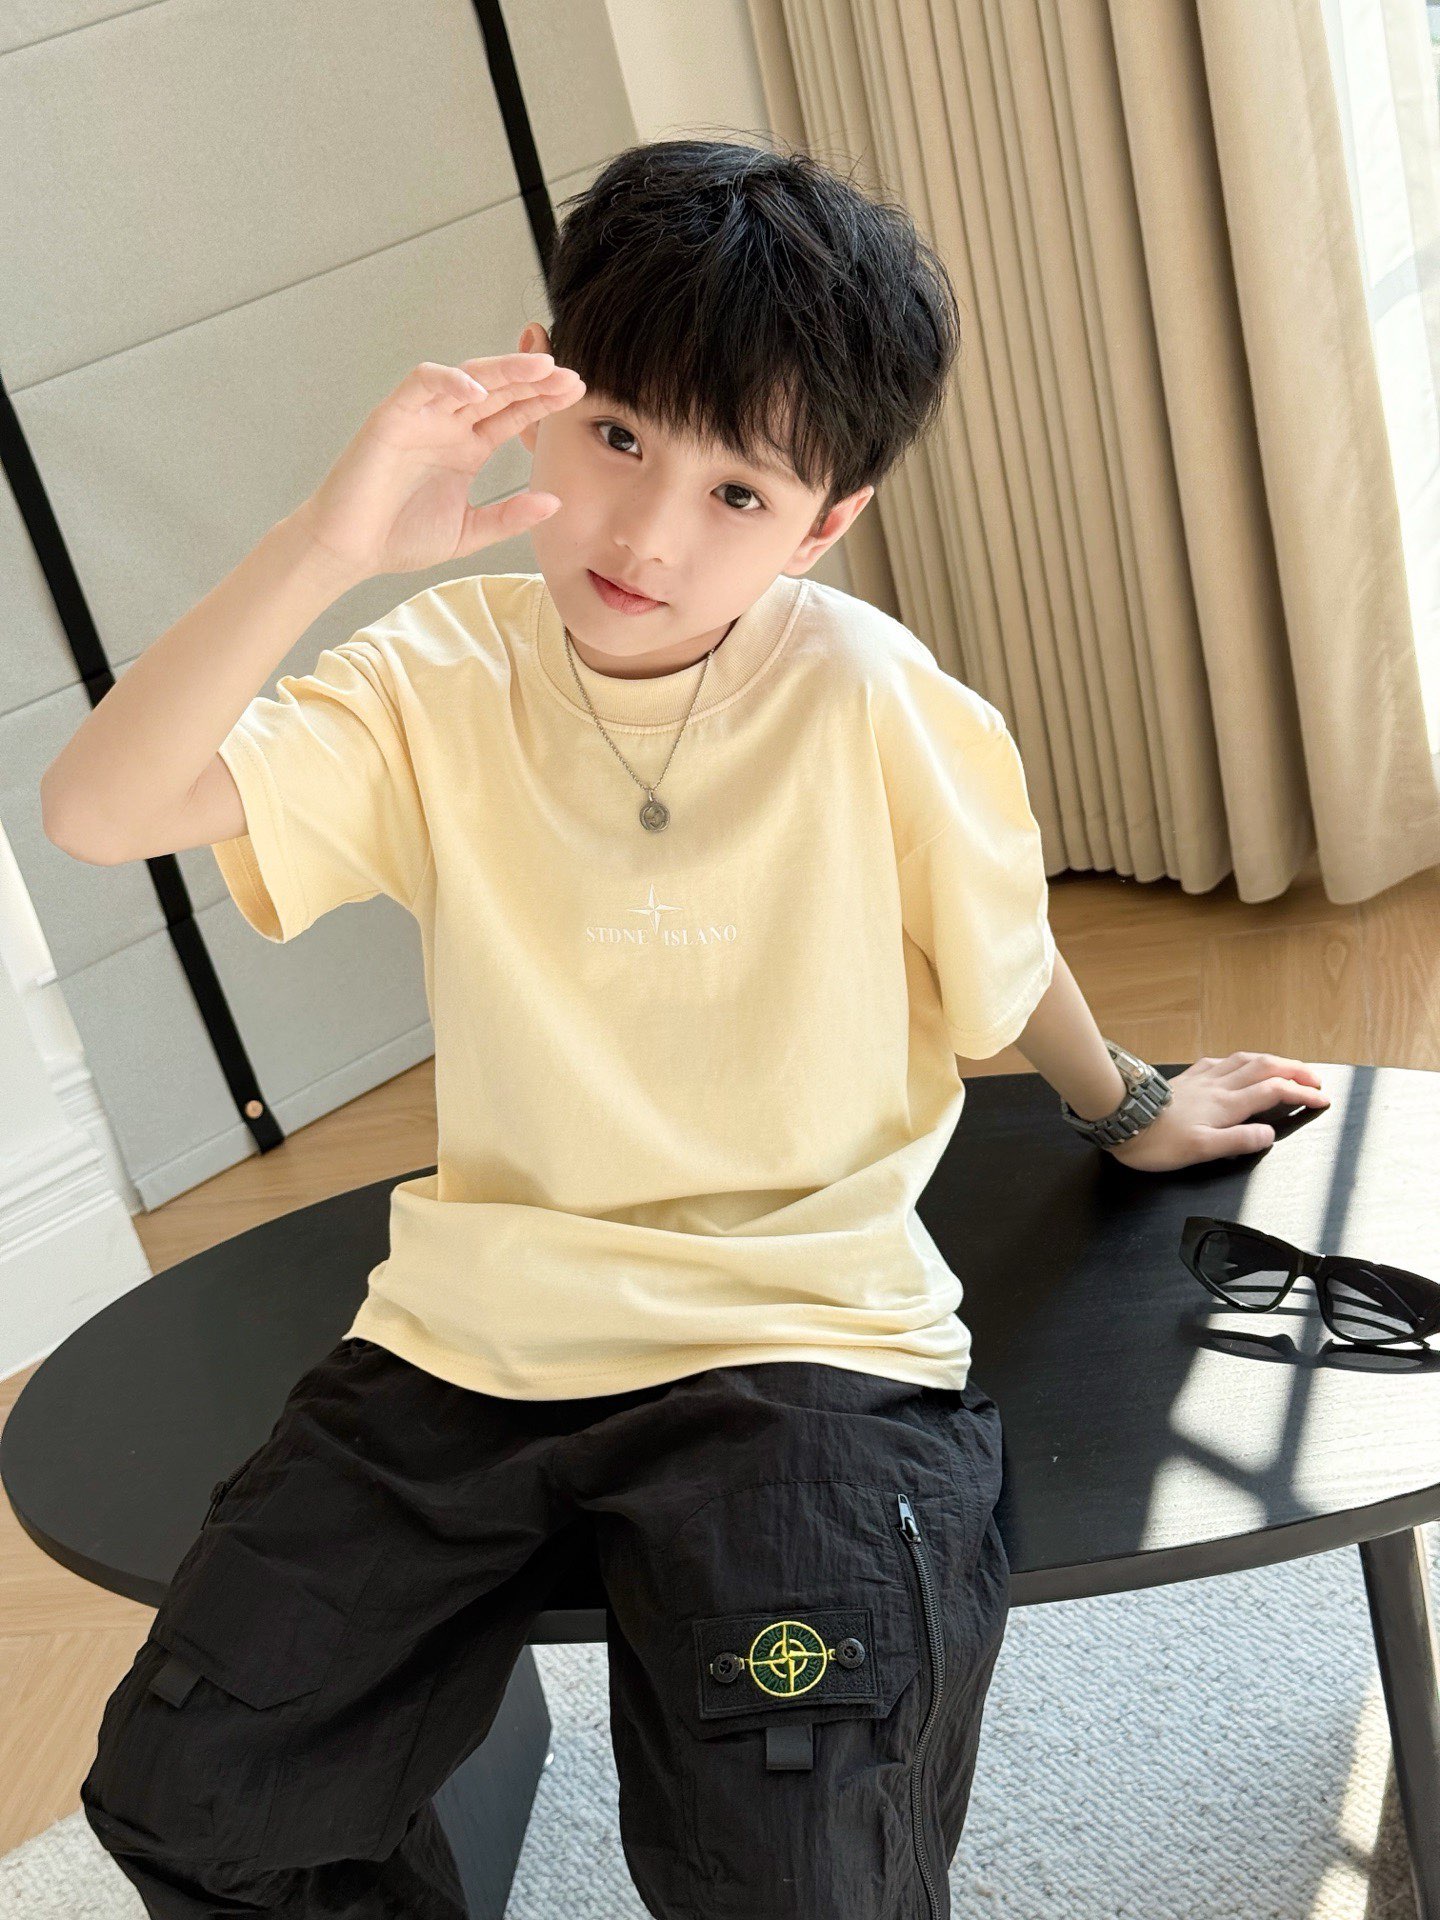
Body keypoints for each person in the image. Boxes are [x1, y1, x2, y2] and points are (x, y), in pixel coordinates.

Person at [42, 134, 1329, 1919]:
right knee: (187, 1798)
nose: (649, 531)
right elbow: (100, 812)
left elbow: (999, 946)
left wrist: (1127, 1108)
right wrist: (324, 547)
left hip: (800, 1345)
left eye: (739, 490)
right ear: (536, 389)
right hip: (468, 1348)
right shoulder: (436, 679)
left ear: (828, 523)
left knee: (798, 1868)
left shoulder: (871, 698)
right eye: (619, 436)